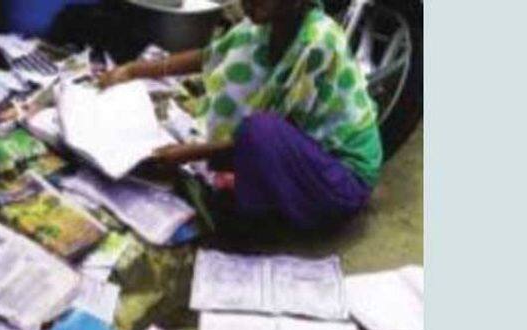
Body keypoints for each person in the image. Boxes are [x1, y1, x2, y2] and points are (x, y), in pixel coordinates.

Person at [99, 0, 382, 230]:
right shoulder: (262, 28)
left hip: (342, 179)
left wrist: (187, 154)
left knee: (259, 132)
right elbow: (209, 56)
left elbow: (275, 138)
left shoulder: (319, 41)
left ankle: (277, 213)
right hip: (304, 157)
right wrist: (131, 71)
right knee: (247, 140)